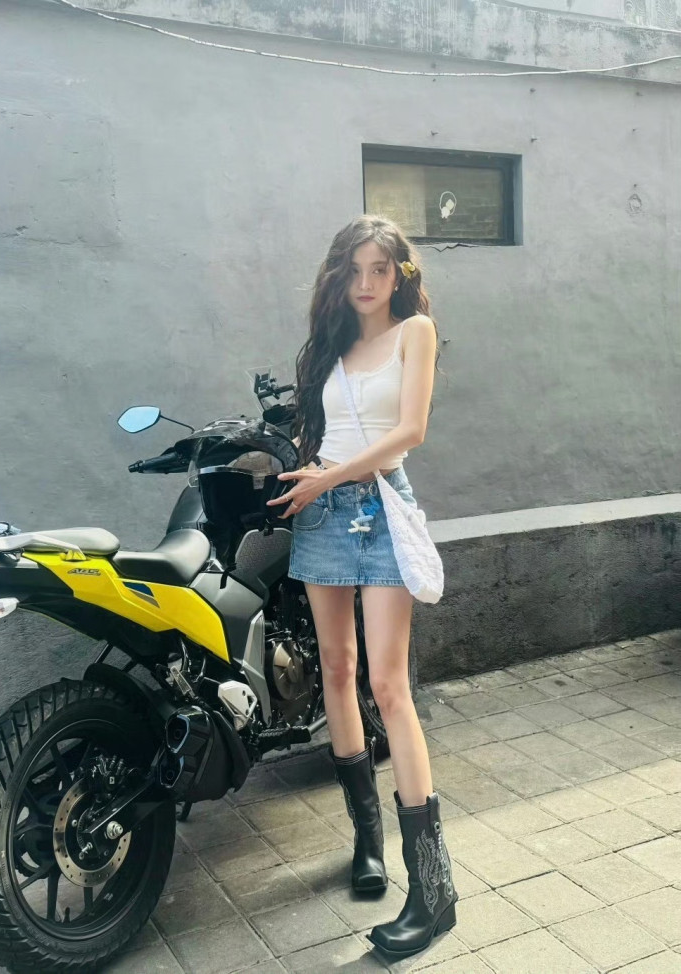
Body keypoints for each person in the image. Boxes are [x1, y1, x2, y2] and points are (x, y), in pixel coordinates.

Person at [267, 215, 457, 959]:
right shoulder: (330, 345)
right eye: (355, 269)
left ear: (401, 274)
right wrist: (297, 468)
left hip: (379, 507)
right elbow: (317, 430)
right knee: (336, 671)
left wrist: (329, 478)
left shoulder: (415, 333)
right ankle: (367, 845)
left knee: (388, 685)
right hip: (321, 513)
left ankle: (434, 892)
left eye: (381, 268)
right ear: (338, 276)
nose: (368, 282)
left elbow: (410, 432)